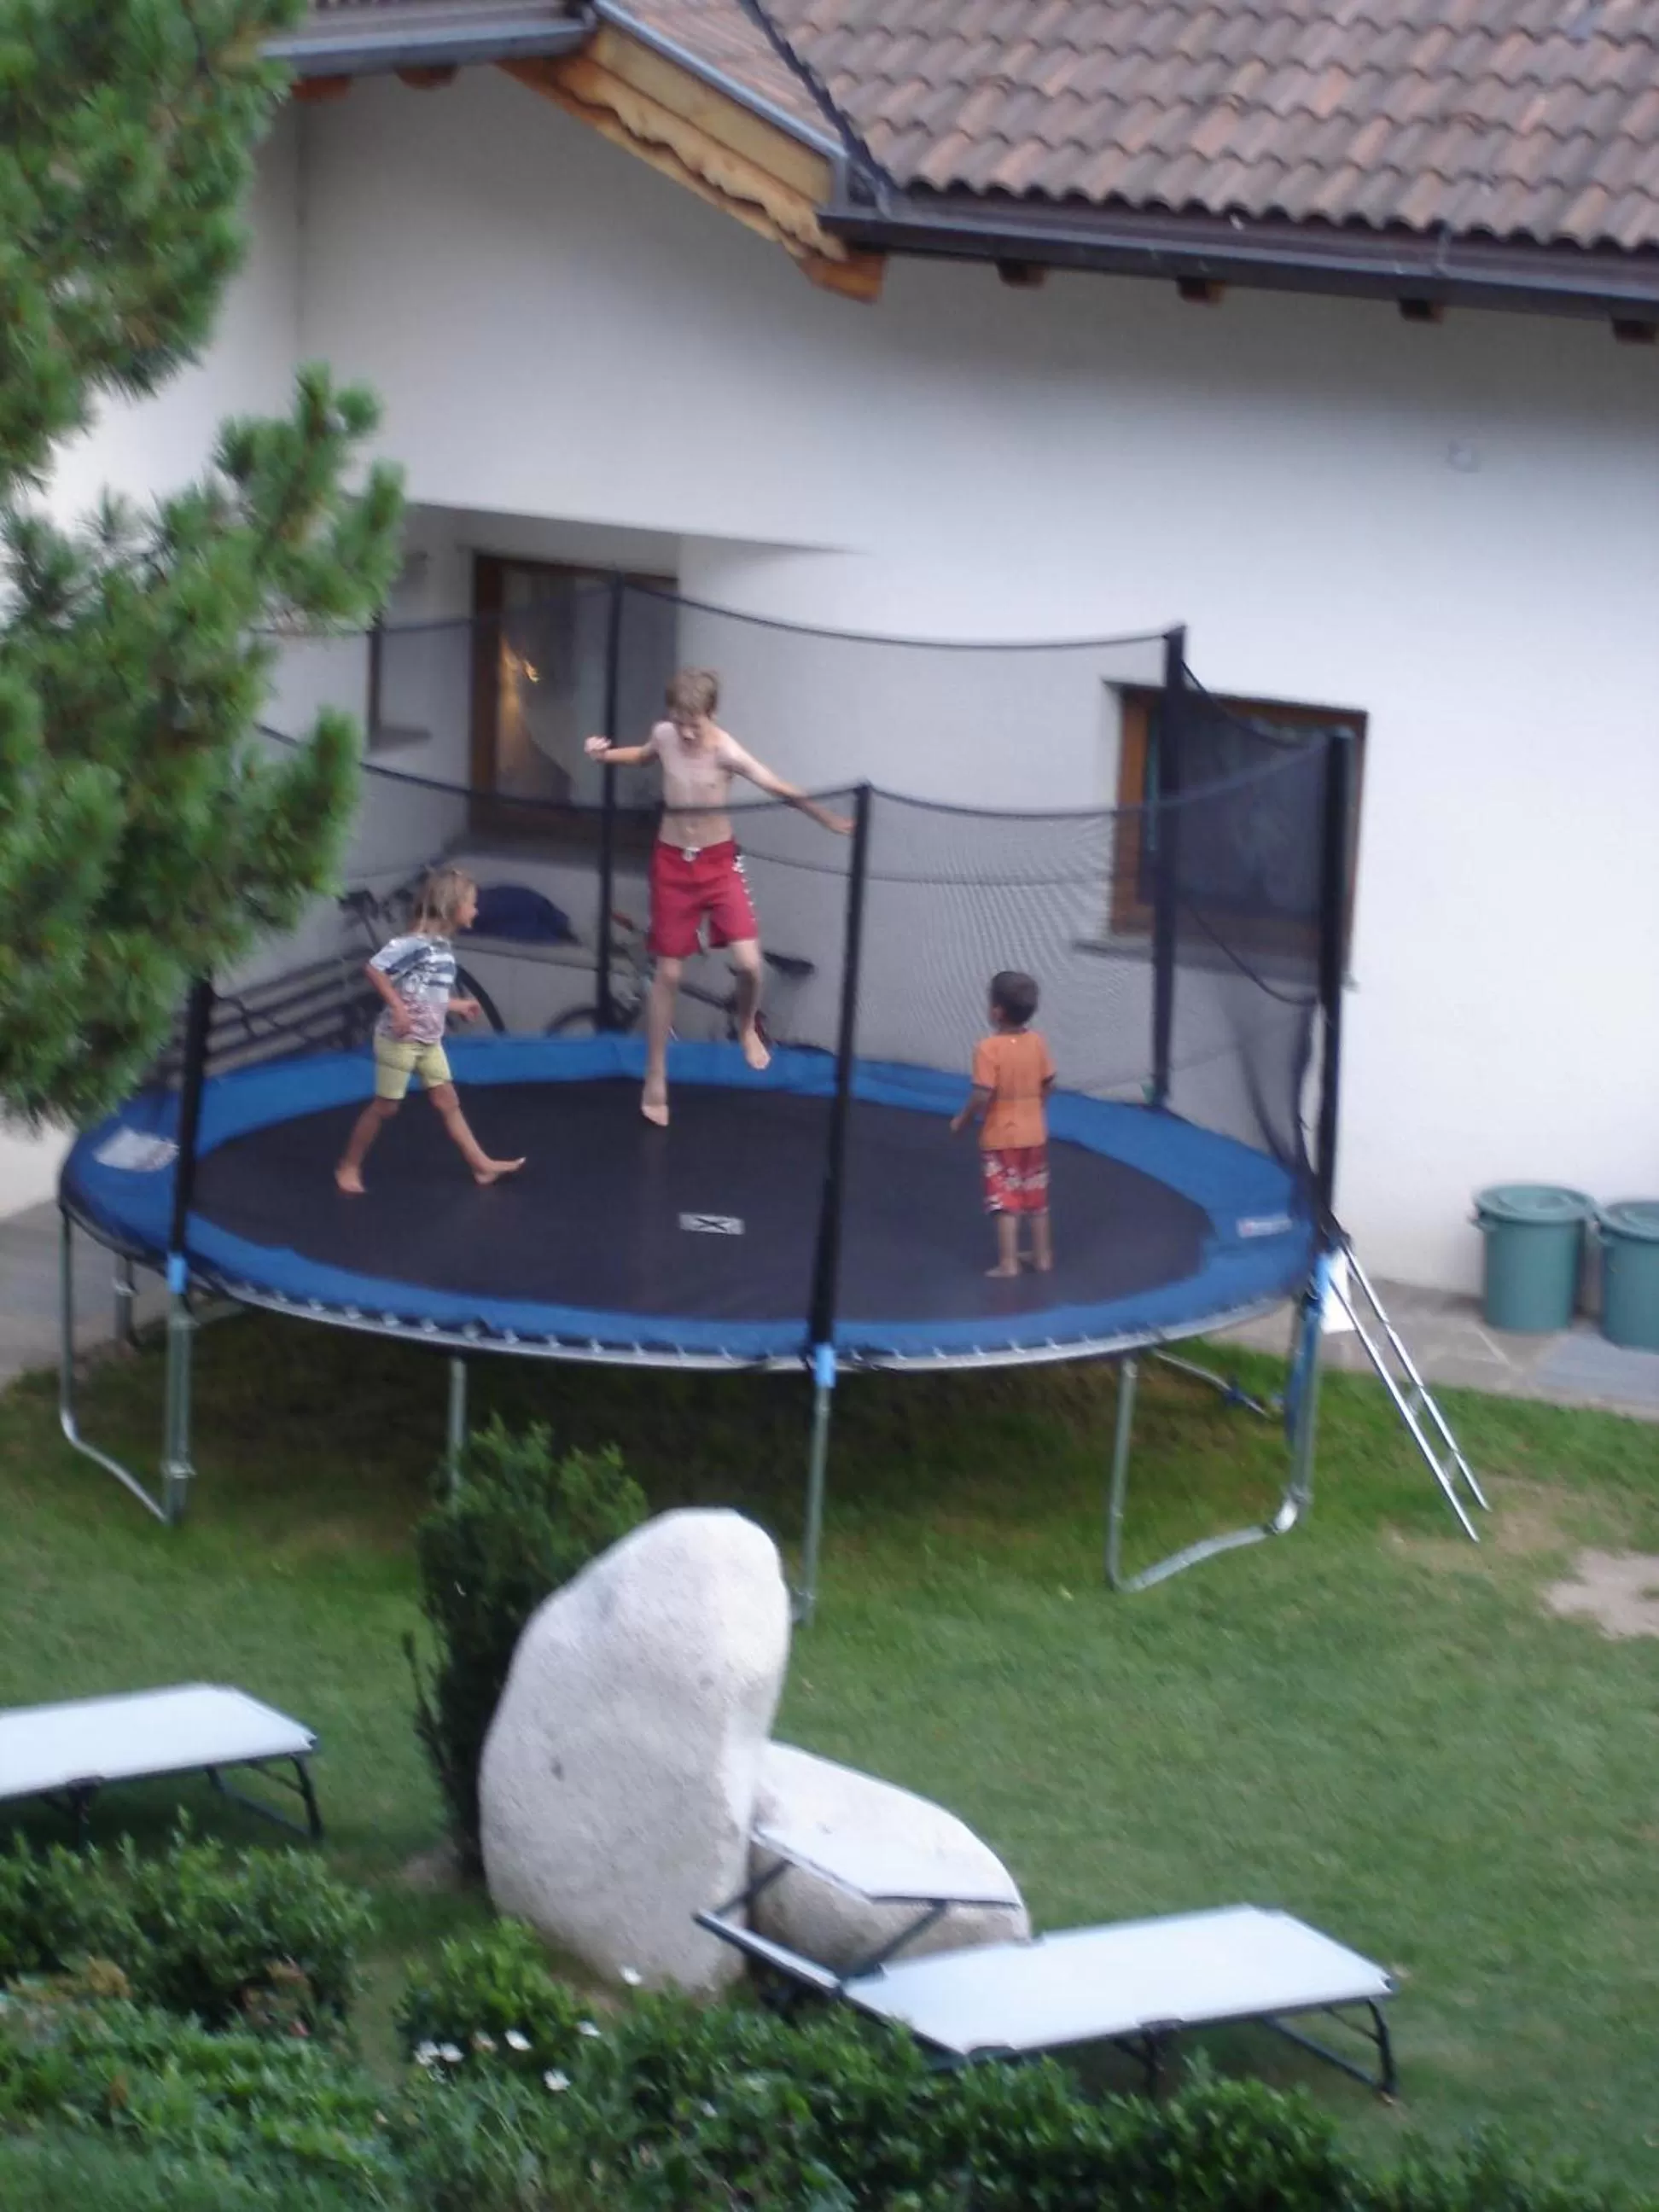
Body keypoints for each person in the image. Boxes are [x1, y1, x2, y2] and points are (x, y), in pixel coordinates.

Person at [585, 667, 850, 1126]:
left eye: (696, 722)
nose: (687, 731)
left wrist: (825, 818)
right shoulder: (665, 736)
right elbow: (644, 756)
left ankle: (747, 1027)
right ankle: (655, 1077)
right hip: (671, 863)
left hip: (718, 865)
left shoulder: (726, 750)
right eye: (680, 719)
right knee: (667, 973)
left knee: (749, 964)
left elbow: (777, 786)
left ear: (712, 714)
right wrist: (604, 756)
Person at [334, 867, 525, 1195]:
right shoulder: (415, 944)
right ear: (453, 907)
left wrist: (456, 1006)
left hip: (428, 1040)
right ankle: (348, 1166)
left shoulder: (442, 948)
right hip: (399, 1040)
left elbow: (425, 995)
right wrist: (396, 1008)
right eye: (472, 904)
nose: (476, 910)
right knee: (386, 1107)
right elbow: (375, 969)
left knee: (447, 1100)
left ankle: (481, 1166)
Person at [950, 969, 1056, 1278]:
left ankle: (1009, 1263)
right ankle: (1042, 1256)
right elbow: (1049, 1083)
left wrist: (962, 1121)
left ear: (996, 1011)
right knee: (1036, 1197)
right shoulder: (1037, 1042)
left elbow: (982, 1095)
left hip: (1001, 1137)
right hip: (1035, 1133)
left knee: (1005, 1200)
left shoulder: (988, 1048)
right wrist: (1036, 1107)